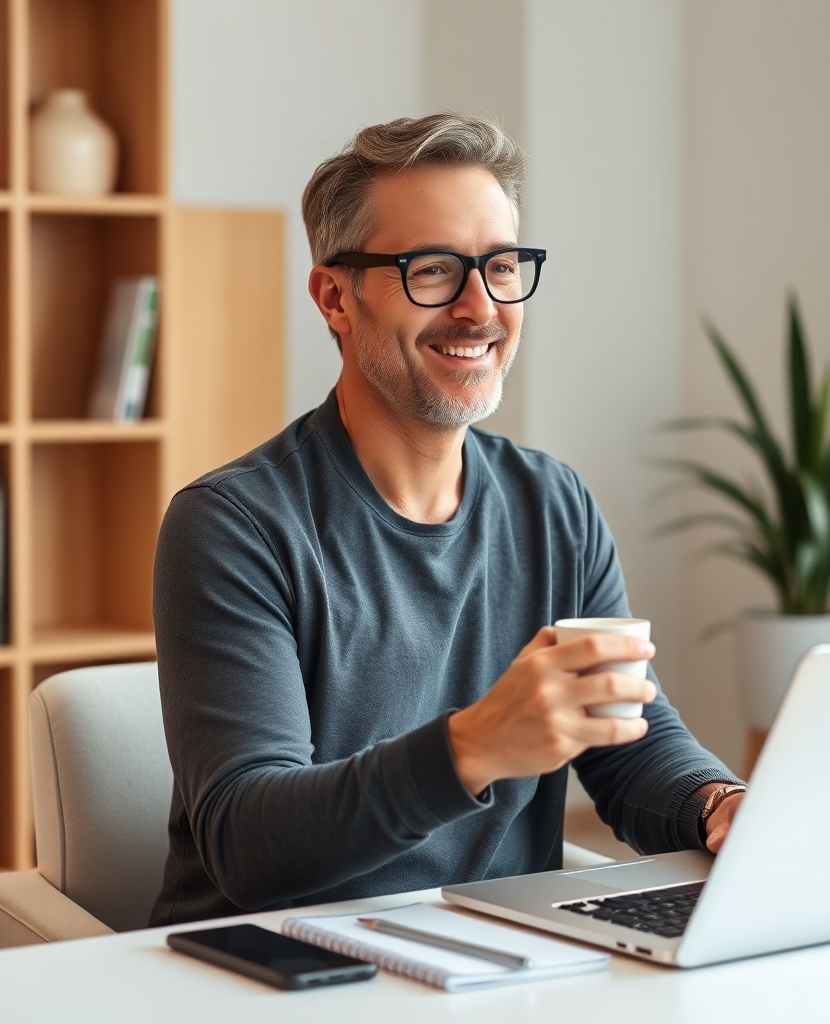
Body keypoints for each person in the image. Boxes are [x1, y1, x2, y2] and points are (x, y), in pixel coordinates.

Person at [150, 114, 745, 927]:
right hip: (276, 966)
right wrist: (473, 748)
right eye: (432, 270)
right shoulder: (232, 527)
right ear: (335, 296)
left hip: (499, 956)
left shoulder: (554, 504)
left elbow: (629, 742)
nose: (479, 308)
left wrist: (718, 802)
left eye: (501, 267)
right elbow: (249, 845)